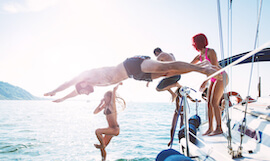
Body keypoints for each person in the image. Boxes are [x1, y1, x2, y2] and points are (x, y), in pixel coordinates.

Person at [44, 55, 219, 102]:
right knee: (169, 73)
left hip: (132, 65)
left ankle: (202, 70)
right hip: (135, 75)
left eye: (83, 92)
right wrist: (61, 99)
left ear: (81, 84)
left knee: (165, 67)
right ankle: (203, 65)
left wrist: (54, 90)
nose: (86, 94)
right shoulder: (94, 85)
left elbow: (69, 83)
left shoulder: (86, 75)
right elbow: (73, 93)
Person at [190, 33, 228, 136]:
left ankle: (219, 128)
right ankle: (210, 128)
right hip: (212, 79)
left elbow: (214, 68)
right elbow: (189, 65)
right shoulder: (199, 56)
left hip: (220, 77)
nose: (193, 44)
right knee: (209, 103)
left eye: (194, 42)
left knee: (215, 102)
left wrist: (205, 81)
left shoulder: (210, 51)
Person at [93, 82, 125, 161]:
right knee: (102, 148)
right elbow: (95, 112)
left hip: (115, 129)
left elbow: (114, 90)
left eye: (105, 97)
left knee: (98, 131)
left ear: (109, 98)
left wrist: (118, 83)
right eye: (104, 97)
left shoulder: (112, 105)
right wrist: (100, 104)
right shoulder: (105, 106)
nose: (104, 98)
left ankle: (102, 145)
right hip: (110, 130)